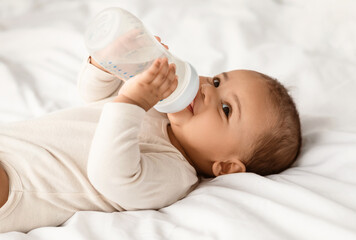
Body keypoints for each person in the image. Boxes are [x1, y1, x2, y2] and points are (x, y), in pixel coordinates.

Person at [0, 38, 301, 233]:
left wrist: (132, 103)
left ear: (226, 166)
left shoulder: (175, 175)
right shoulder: (156, 107)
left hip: (17, 184)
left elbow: (111, 176)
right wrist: (110, 62)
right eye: (219, 79)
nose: (207, 87)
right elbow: (92, 96)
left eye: (225, 108)